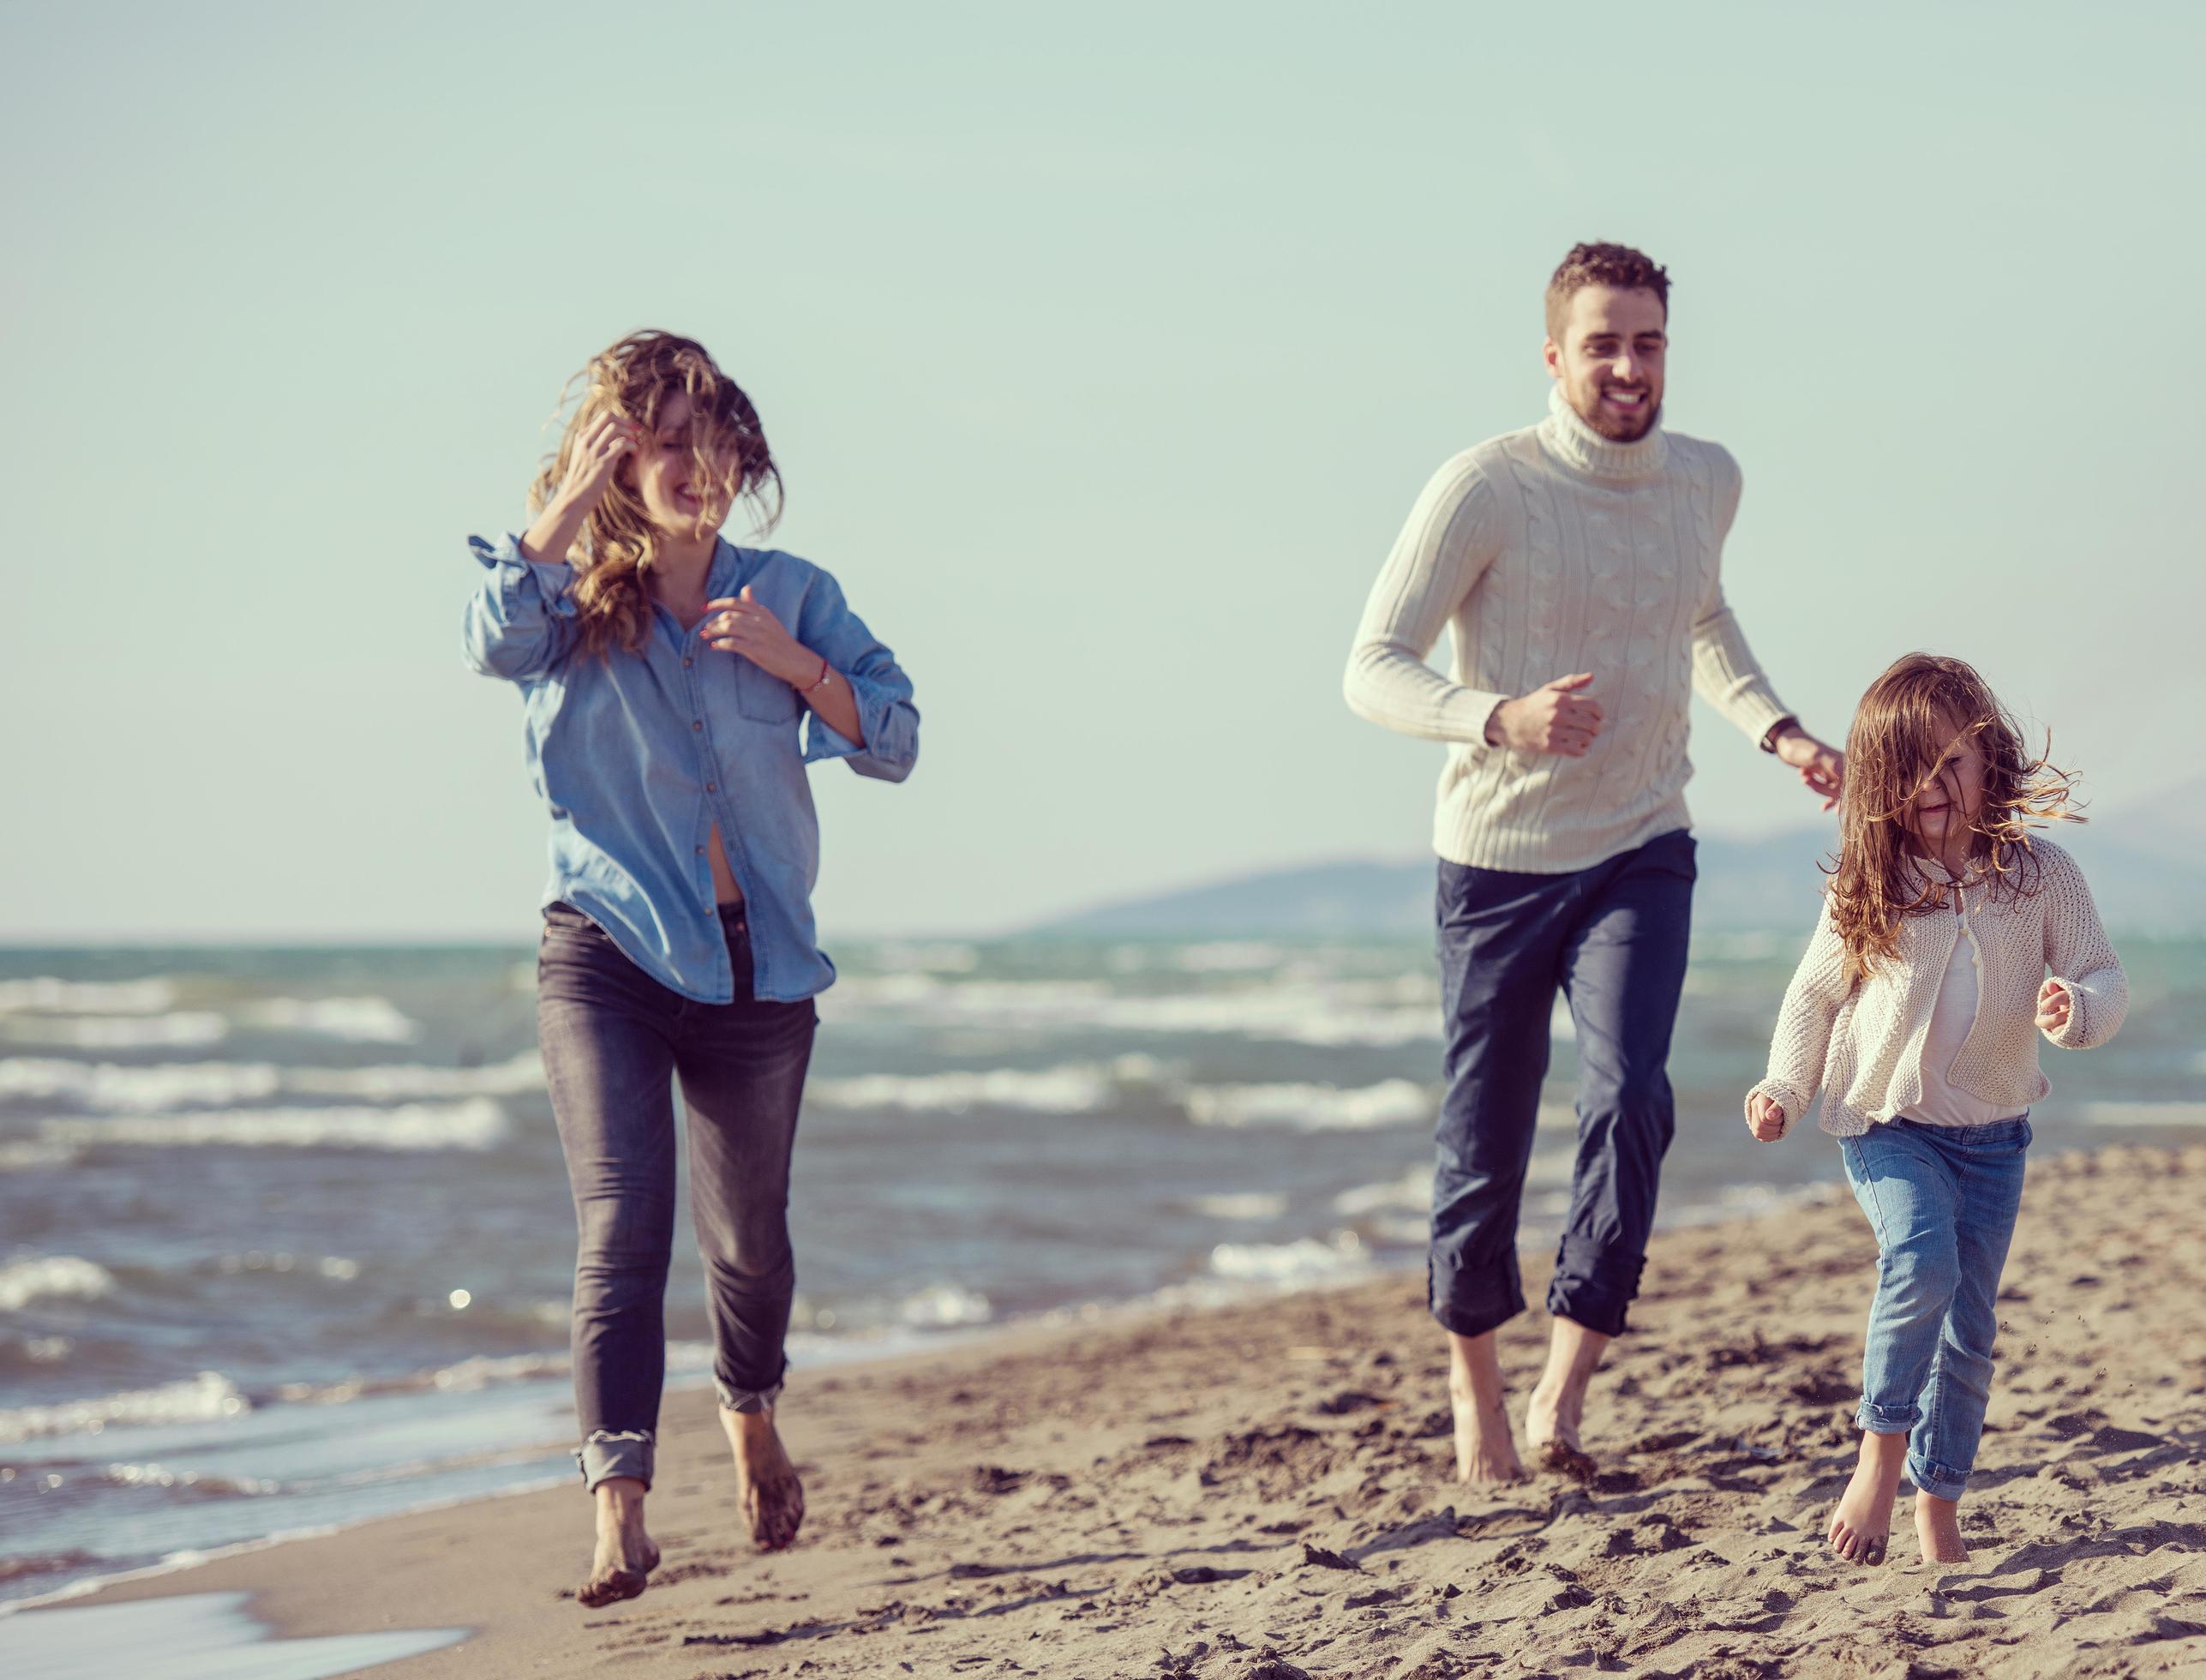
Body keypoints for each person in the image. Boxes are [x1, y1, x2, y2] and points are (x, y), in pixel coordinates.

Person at [1343, 242, 1844, 1485]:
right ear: (1555, 354)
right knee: (1485, 1139)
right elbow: (1371, 666)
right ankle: (1475, 1394)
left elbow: (1699, 616)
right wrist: (1495, 717)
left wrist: (1773, 727)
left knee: (1631, 1099)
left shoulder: (1705, 482)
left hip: (1639, 840)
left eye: (1648, 342)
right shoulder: (1484, 488)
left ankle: (1562, 1392)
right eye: (1603, 343)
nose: (1628, 366)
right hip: (1498, 860)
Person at [461, 330, 918, 1606]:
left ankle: (750, 1407)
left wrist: (789, 661)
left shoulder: (792, 592)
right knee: (619, 1230)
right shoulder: (563, 603)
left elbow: (894, 734)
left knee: (750, 1248)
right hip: (605, 955)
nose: (693, 466)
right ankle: (618, 1511)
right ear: (617, 457)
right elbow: (486, 636)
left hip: (758, 971)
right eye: (662, 442)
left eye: (712, 443)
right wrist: (555, 509)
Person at [1746, 653, 2125, 1566]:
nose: (1933, 785)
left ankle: (1938, 1507)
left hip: (1994, 1138)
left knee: (1972, 1329)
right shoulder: (1869, 883)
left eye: (1952, 760)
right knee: (1921, 1260)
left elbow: (2104, 974)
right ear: (1878, 779)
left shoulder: (2042, 876)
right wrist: (1784, 1088)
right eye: (1910, 766)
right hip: (1887, 1126)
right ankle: (1878, 1464)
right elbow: (1812, 998)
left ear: (1989, 761)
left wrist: (2076, 1008)